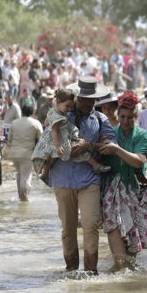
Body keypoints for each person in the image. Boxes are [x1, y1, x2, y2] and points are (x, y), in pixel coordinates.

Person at [49, 76, 116, 274]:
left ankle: (91, 272)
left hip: (89, 180)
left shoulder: (101, 120)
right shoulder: (61, 114)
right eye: (85, 99)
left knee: (90, 226)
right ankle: (71, 270)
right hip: (63, 179)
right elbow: (48, 140)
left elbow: (111, 145)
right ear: (77, 97)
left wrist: (90, 145)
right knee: (68, 229)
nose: (88, 103)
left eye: (92, 100)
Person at [98, 90, 147, 269]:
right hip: (114, 188)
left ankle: (128, 271)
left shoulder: (143, 136)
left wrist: (116, 149)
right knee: (113, 227)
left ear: (136, 117)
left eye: (130, 117)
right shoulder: (111, 134)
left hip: (138, 187)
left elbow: (139, 161)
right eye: (123, 116)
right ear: (118, 115)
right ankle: (120, 269)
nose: (126, 121)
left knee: (133, 237)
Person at [32, 88, 110, 186]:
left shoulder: (55, 112)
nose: (69, 109)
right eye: (67, 106)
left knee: (60, 154)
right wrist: (57, 146)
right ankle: (96, 165)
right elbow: (54, 131)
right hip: (60, 141)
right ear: (59, 102)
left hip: (65, 138)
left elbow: (47, 122)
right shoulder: (59, 117)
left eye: (70, 106)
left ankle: (45, 174)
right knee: (78, 152)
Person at [8, 105, 43, 201]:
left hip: (14, 154)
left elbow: (9, 139)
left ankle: (20, 196)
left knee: (19, 173)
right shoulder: (35, 123)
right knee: (26, 176)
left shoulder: (14, 123)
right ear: (32, 113)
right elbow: (41, 139)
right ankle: (24, 198)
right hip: (27, 154)